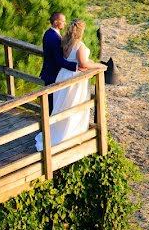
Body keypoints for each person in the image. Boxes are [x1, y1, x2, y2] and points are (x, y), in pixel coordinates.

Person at [35, 19, 105, 151]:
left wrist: (86, 61)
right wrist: (98, 65)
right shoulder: (80, 45)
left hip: (63, 74)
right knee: (74, 103)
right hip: (75, 78)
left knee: (63, 104)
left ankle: (60, 130)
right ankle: (71, 134)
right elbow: (83, 64)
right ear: (81, 31)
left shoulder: (66, 43)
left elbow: (73, 59)